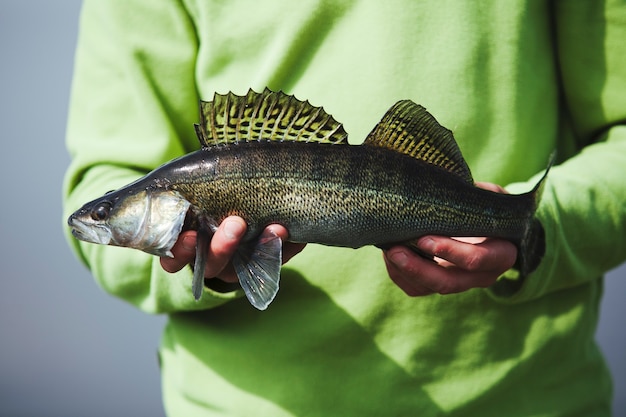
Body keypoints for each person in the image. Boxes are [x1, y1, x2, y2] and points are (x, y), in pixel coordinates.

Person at [63, 1, 626, 415]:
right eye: (109, 211)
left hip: (529, 399)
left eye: (109, 212)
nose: (102, 218)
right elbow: (100, 177)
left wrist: (548, 227)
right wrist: (207, 270)